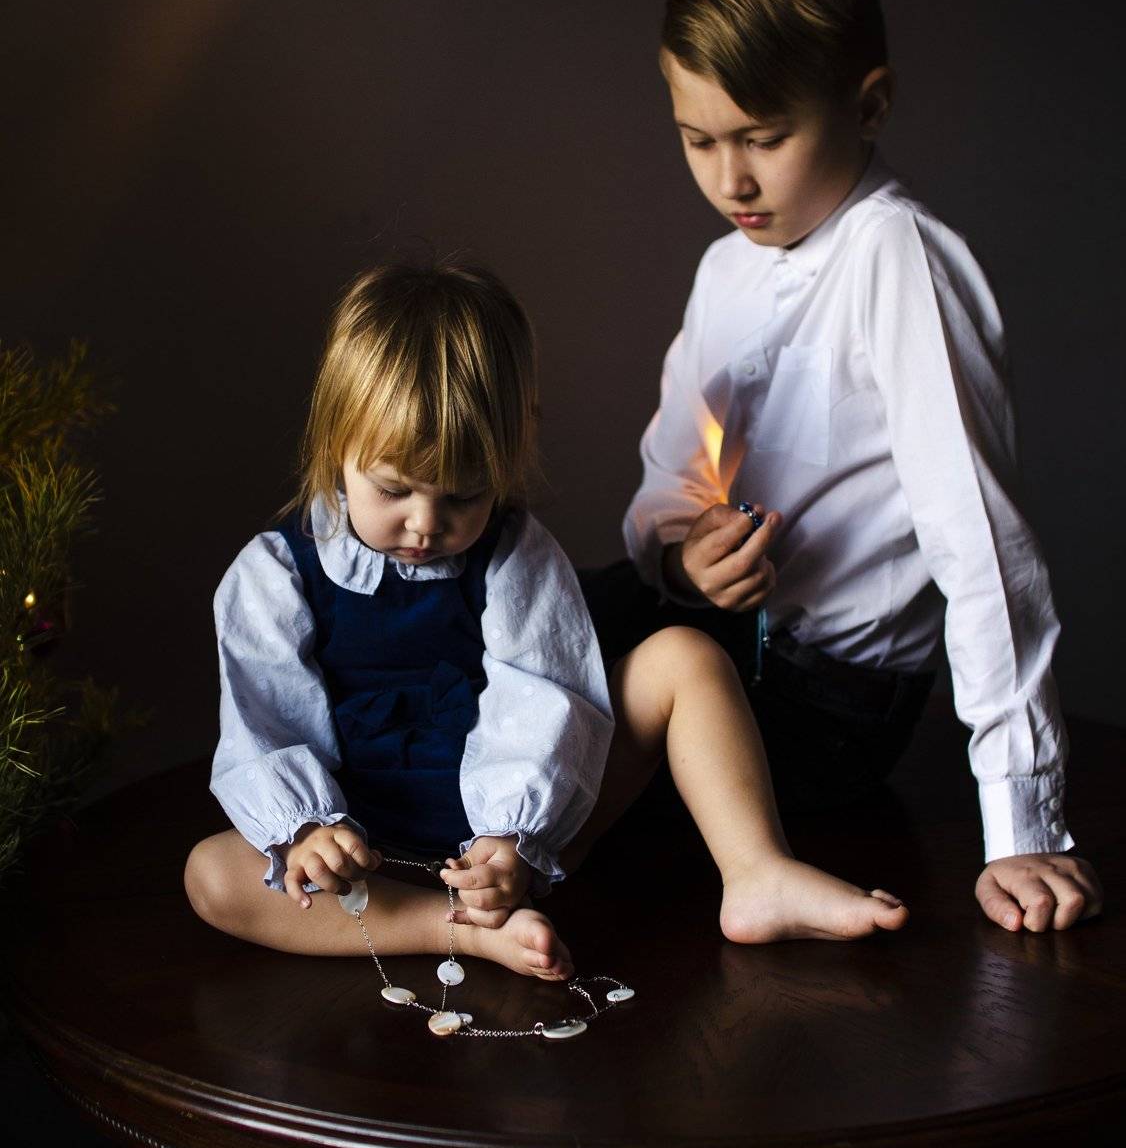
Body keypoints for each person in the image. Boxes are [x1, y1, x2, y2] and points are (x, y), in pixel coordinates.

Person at [185, 258, 912, 982]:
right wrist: (309, 830)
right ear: (334, 447)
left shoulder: (513, 552)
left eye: (463, 496)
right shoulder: (276, 572)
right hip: (372, 858)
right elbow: (267, 717)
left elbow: (543, 693)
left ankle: (757, 871)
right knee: (212, 875)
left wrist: (511, 838)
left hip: (523, 832)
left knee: (683, 658)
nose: (426, 523)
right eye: (394, 490)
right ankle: (451, 930)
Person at [599, 0, 1101, 935]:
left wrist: (1022, 824)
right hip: (721, 637)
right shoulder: (723, 268)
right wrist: (686, 559)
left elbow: (982, 544)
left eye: (764, 140)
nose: (730, 181)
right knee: (520, 605)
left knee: (567, 694)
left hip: (829, 705)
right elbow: (666, 482)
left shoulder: (897, 258)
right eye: (699, 141)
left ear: (867, 106)